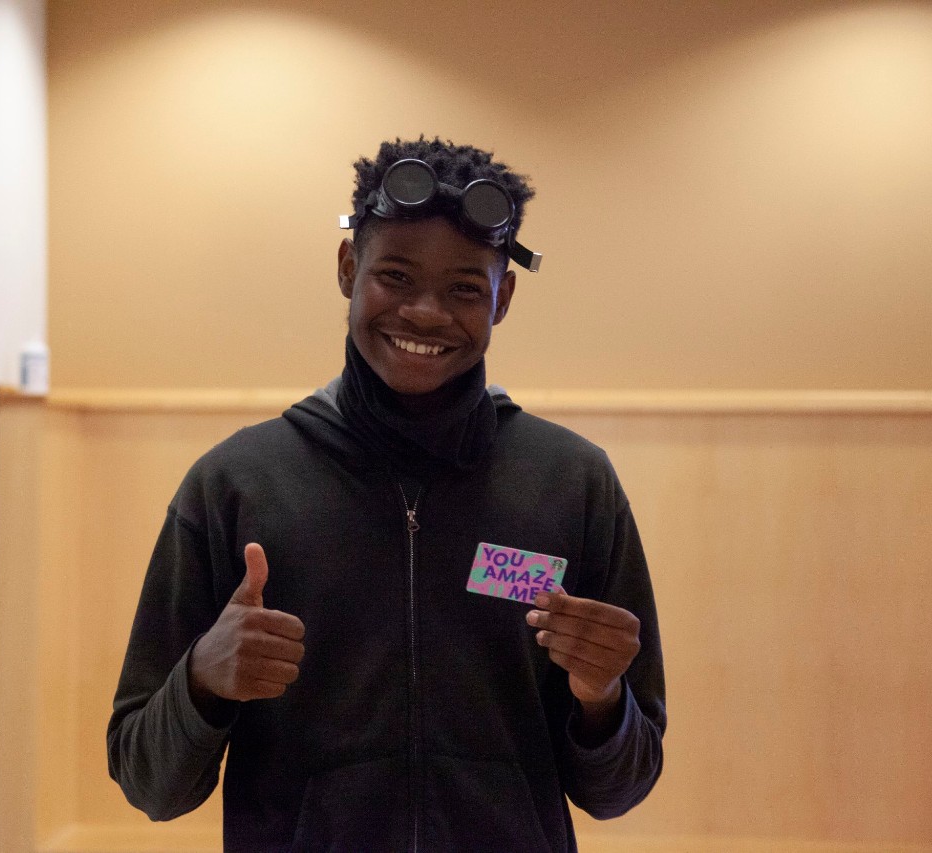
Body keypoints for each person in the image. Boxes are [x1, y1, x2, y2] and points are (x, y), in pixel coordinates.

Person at [107, 137, 666, 852]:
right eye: (396, 276)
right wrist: (202, 682)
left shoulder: (573, 483)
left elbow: (622, 787)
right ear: (348, 269)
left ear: (504, 296)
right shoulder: (234, 484)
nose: (427, 312)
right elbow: (146, 780)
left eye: (466, 286)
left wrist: (602, 701)